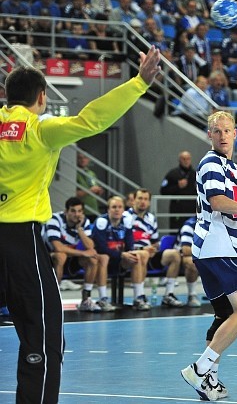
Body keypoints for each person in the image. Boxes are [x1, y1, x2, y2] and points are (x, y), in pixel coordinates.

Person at [0, 47, 160, 403]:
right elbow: (92, 120)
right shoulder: (40, 129)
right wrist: (138, 83)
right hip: (20, 242)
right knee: (43, 336)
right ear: (42, 97)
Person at [180, 111, 237, 401]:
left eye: (227, 130)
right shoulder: (211, 163)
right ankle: (199, 369)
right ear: (209, 135)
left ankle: (208, 381)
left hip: (212, 249)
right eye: (217, 131)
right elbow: (218, 202)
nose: (222, 136)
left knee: (224, 315)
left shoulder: (231, 167)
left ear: (235, 134)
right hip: (220, 246)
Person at [44, 197, 115, 312]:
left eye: (79, 211)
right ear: (66, 211)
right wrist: (83, 253)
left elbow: (90, 246)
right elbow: (57, 247)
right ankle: (52, 299)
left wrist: (80, 230)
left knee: (93, 259)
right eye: (73, 211)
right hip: (47, 258)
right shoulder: (54, 219)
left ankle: (86, 300)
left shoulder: (83, 221)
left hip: (70, 258)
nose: (76, 214)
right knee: (61, 256)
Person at [124, 188, 185, 307]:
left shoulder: (151, 218)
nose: (143, 201)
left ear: (149, 202)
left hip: (149, 254)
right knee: (142, 255)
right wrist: (143, 250)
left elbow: (155, 242)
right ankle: (139, 297)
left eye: (146, 199)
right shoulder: (125, 217)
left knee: (174, 254)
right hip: (132, 255)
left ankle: (168, 295)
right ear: (133, 200)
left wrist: (154, 248)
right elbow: (124, 242)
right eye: (140, 198)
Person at [91, 196, 151, 310]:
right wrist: (121, 254)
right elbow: (101, 248)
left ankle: (138, 298)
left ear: (123, 209)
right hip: (104, 260)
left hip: (120, 259)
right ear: (108, 209)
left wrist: (127, 254)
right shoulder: (101, 222)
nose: (117, 210)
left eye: (119, 207)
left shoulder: (126, 221)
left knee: (136, 256)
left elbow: (130, 245)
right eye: (114, 207)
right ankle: (103, 299)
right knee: (104, 257)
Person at [160, 150, 197, 230]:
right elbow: (163, 191)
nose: (186, 161)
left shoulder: (196, 174)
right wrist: (177, 186)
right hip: (177, 210)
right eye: (184, 159)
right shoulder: (172, 174)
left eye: (188, 159)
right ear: (179, 160)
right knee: (176, 231)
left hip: (192, 210)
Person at [76, 151, 105, 220]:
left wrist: (99, 191)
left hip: (93, 209)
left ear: (88, 159)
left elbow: (95, 189)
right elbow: (73, 193)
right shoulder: (74, 173)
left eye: (85, 157)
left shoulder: (91, 173)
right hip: (81, 210)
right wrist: (90, 191)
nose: (83, 160)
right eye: (80, 158)